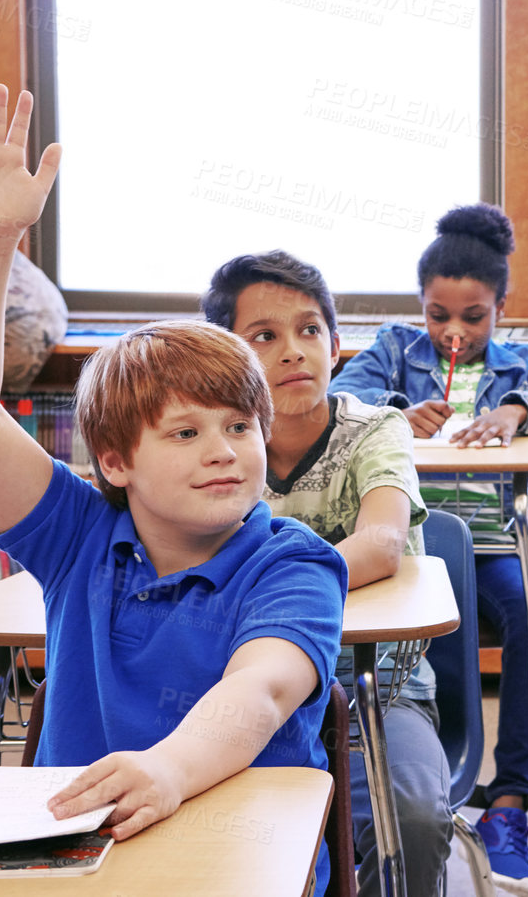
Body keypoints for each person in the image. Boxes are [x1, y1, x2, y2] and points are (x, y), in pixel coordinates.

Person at [0, 86, 346, 896]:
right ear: (114, 461)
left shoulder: (294, 563)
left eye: (238, 427)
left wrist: (168, 770)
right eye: (185, 434)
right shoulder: (75, 537)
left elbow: (260, 690)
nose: (223, 452)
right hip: (81, 854)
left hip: (244, 851)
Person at [332, 203, 528, 895]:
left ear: (500, 308)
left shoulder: (524, 363)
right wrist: (395, 411)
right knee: (399, 643)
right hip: (410, 549)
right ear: (421, 305)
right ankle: (420, 774)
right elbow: (340, 397)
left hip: (496, 545)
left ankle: (509, 803)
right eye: (438, 315)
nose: (453, 332)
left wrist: (516, 412)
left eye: (473, 317)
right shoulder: (391, 348)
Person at [202, 250, 454, 897]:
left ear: (337, 346)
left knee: (418, 819)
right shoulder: (215, 448)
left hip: (377, 684)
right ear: (227, 357)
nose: (292, 351)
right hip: (245, 684)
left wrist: (276, 590)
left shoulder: (377, 429)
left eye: (309, 330)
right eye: (264, 336)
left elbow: (380, 543)